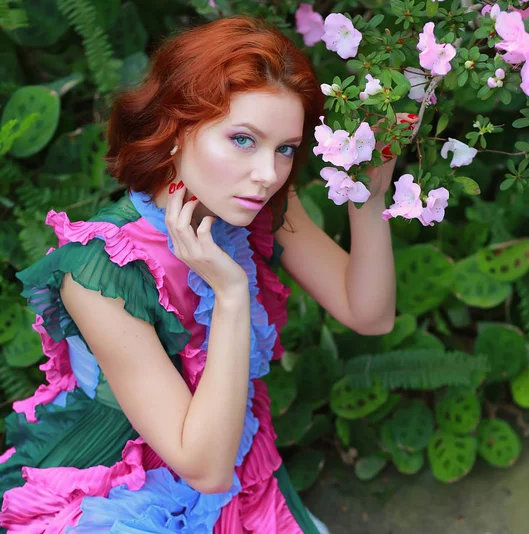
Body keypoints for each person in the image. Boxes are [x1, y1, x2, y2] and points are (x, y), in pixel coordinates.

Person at [0, 15, 413, 533]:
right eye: (243, 139)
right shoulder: (99, 269)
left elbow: (369, 314)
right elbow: (206, 469)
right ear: (177, 127)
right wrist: (231, 293)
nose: (267, 173)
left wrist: (369, 193)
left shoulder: (258, 205)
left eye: (284, 148)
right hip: (121, 484)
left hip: (231, 459)